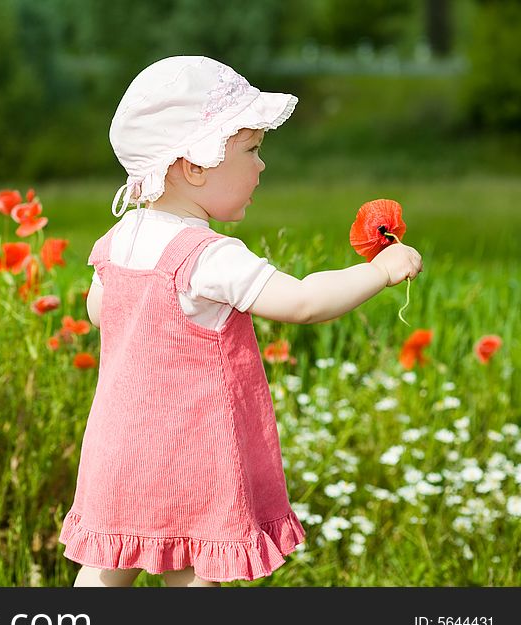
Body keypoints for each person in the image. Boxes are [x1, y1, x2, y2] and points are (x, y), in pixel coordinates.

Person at [58, 55, 423, 587]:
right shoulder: (207, 256)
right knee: (191, 573)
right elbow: (301, 301)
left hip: (120, 451)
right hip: (190, 457)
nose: (261, 166)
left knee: (109, 565)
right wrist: (381, 271)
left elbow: (98, 311)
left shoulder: (119, 240)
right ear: (195, 166)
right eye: (250, 150)